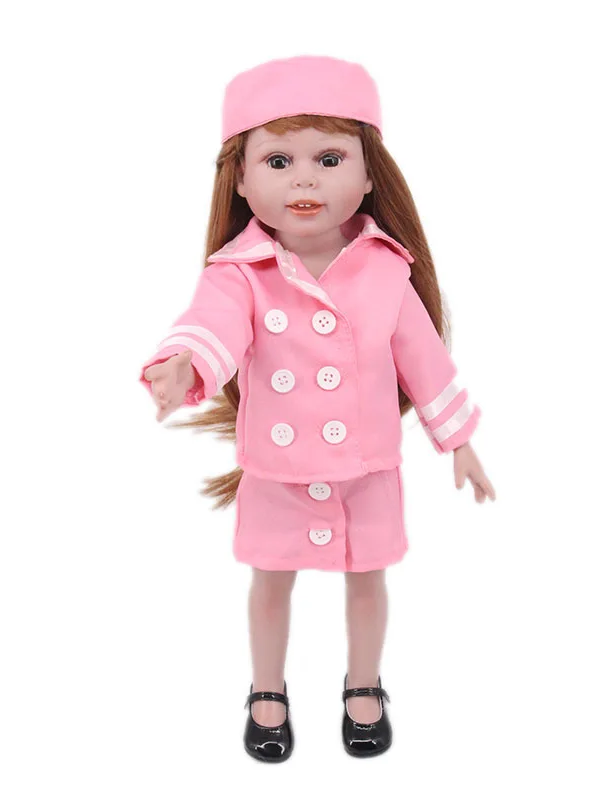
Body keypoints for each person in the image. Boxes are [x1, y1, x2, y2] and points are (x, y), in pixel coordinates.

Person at [140, 55, 496, 762]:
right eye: (278, 161)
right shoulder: (240, 274)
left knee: (368, 580)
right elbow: (212, 324)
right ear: (241, 181)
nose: (304, 180)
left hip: (368, 465)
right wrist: (184, 365)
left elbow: (423, 357)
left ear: (368, 176)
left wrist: (459, 440)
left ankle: (364, 686)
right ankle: (266, 691)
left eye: (329, 159)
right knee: (269, 583)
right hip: (277, 470)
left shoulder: (387, 268)